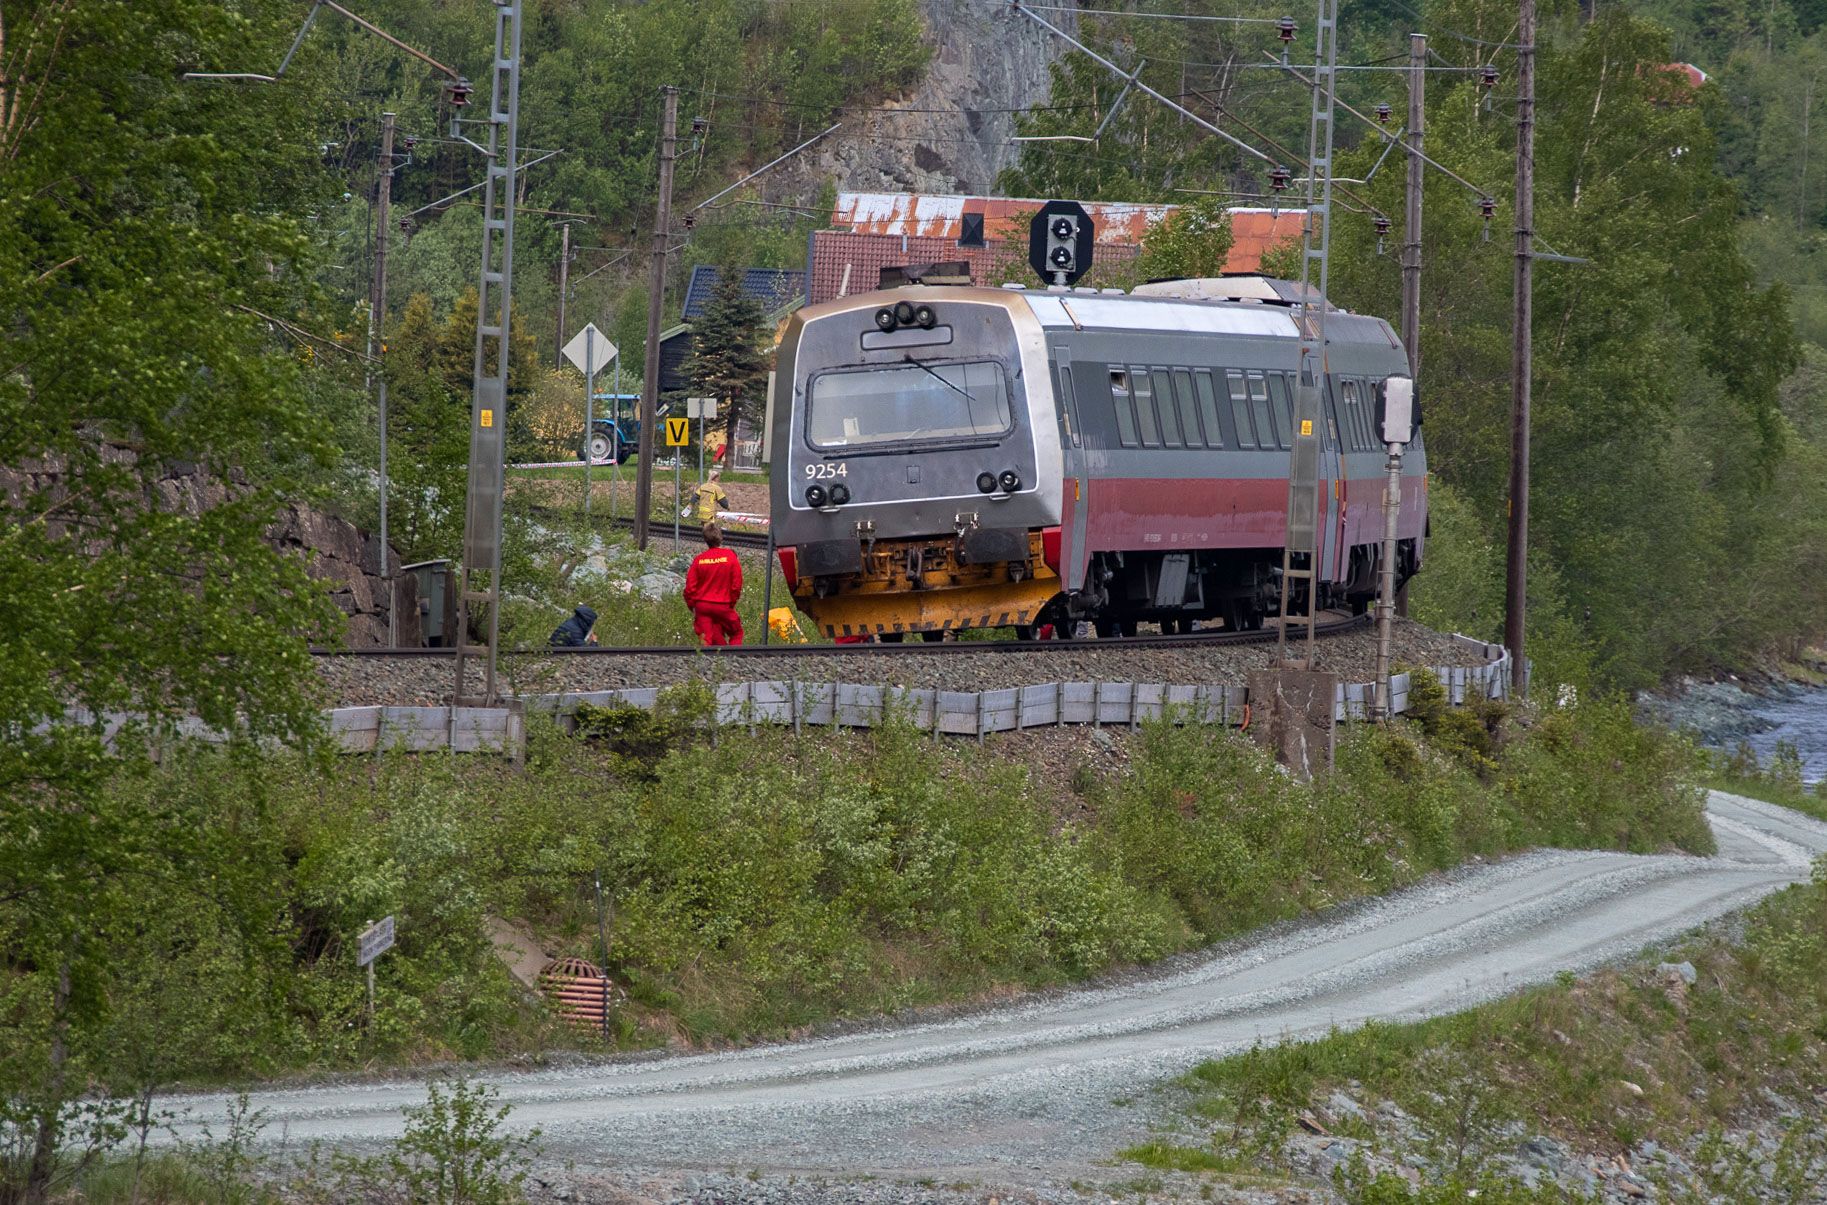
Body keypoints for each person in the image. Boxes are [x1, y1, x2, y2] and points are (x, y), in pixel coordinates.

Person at [684, 524, 744, 646]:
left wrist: (693, 606)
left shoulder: (699, 560)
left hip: (702, 607)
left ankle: (707, 662)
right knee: (736, 633)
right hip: (723, 605)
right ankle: (734, 658)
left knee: (707, 639)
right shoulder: (730, 557)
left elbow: (690, 588)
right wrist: (731, 603)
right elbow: (736, 585)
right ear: (720, 537)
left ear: (705, 539)